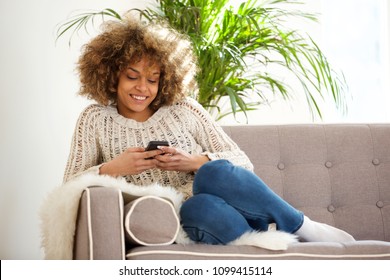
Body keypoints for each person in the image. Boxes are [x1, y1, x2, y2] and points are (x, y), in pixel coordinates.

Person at [64, 16, 355, 246]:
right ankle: (264, 242)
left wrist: (192, 162)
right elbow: (68, 187)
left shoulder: (184, 108)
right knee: (198, 207)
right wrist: (113, 168)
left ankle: (301, 225)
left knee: (212, 172)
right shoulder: (94, 119)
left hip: (232, 203)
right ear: (111, 75)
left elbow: (242, 163)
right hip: (192, 217)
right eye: (132, 76)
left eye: (153, 80)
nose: (143, 88)